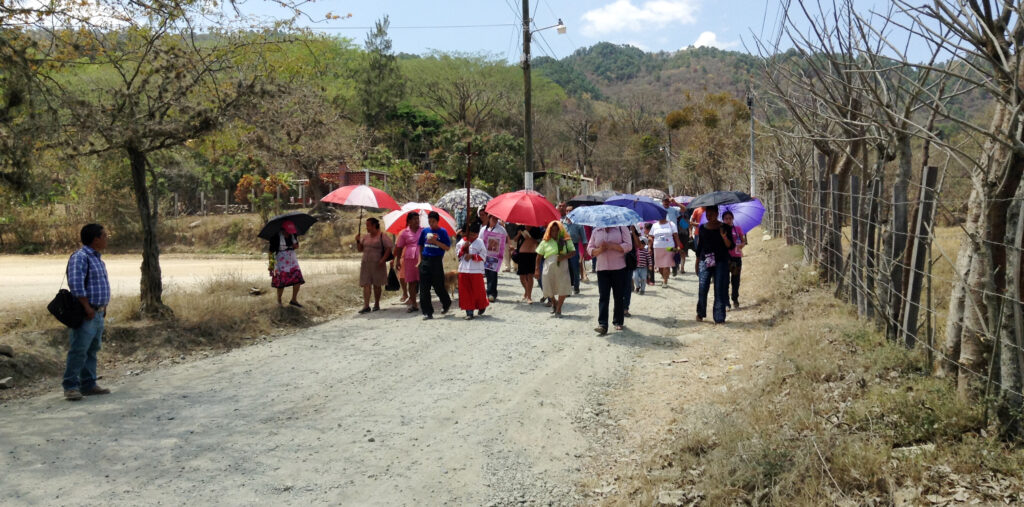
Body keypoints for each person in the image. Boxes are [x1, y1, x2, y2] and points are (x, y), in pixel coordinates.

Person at [63, 223, 112, 401]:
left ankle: (88, 384)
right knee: (79, 349)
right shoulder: (80, 257)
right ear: (95, 239)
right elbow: (76, 284)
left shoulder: (97, 259)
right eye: (104, 235)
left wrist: (102, 307)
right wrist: (87, 307)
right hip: (87, 312)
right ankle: (70, 386)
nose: (107, 239)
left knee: (92, 349)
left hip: (97, 312)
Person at [587, 225, 632, 335]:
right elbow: (589, 249)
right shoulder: (596, 230)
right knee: (603, 297)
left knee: (618, 296)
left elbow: (628, 246)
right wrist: (600, 250)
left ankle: (618, 321)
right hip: (602, 268)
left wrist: (612, 246)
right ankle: (602, 324)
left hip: (619, 268)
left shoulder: (621, 228)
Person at [694, 205, 734, 324]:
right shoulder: (702, 228)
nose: (709, 216)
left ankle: (719, 317)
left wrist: (724, 236)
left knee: (719, 288)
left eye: (711, 213)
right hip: (705, 261)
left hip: (721, 261)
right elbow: (700, 246)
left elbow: (730, 246)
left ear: (717, 213)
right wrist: (697, 262)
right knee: (702, 287)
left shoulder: (725, 227)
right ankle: (700, 313)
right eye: (707, 214)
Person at [536, 220, 575, 317]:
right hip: (548, 266)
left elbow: (573, 252)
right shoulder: (545, 241)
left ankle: (559, 309)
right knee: (547, 285)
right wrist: (537, 269)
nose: (554, 232)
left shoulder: (565, 240)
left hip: (562, 266)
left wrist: (564, 257)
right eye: (552, 230)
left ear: (560, 230)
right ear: (549, 230)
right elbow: (538, 256)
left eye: (557, 230)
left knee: (563, 286)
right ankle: (554, 301)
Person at [418, 211, 453, 320]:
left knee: (438, 286)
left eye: (433, 221)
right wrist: (420, 259)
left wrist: (435, 242)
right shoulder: (425, 231)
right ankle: (427, 312)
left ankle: (446, 302)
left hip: (436, 261)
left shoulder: (442, 232)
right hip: (425, 261)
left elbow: (447, 247)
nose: (431, 223)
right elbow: (420, 245)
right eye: (429, 221)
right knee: (424, 288)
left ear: (437, 221)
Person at [356, 217, 394, 314]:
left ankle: (376, 304)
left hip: (378, 264)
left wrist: (383, 260)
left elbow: (389, 248)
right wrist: (357, 241)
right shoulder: (365, 237)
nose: (367, 227)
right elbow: (360, 249)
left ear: (374, 225)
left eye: (368, 225)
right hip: (366, 264)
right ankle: (366, 305)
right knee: (366, 284)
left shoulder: (382, 236)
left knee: (377, 285)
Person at [456, 222, 489, 319]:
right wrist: (463, 248)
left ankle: (481, 305)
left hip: (476, 271)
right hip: (463, 270)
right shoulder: (462, 241)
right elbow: (457, 254)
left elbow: (483, 256)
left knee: (478, 291)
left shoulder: (480, 242)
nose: (471, 236)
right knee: (465, 291)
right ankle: (469, 312)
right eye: (470, 234)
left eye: (474, 235)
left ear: (477, 234)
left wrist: (472, 256)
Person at [269, 219, 304, 307]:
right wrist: (271, 265)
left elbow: (297, 245)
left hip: (292, 259)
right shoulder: (276, 237)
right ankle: (279, 300)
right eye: (288, 231)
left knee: (298, 279)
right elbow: (271, 252)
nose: (290, 233)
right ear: (283, 230)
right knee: (281, 282)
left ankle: (294, 300)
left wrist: (295, 246)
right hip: (281, 261)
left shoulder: (293, 234)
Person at [394, 212, 422, 313]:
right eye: (414, 219)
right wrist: (397, 261)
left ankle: (425, 302)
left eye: (418, 219)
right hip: (409, 259)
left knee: (423, 281)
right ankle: (414, 304)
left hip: (422, 258)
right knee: (412, 282)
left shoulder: (423, 231)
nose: (416, 221)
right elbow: (399, 247)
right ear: (409, 221)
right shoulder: (404, 233)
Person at [648, 214, 681, 288]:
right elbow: (650, 235)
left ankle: (665, 281)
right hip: (657, 247)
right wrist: (650, 246)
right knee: (660, 267)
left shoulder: (671, 224)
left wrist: (678, 246)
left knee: (666, 265)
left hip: (669, 247)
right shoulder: (654, 225)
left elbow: (676, 236)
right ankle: (665, 276)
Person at [722, 210, 747, 308]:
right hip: (725, 257)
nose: (728, 220)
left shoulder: (737, 229)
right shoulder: (721, 230)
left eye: (730, 218)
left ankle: (735, 298)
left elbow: (744, 241)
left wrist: (741, 245)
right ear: (723, 220)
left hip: (736, 257)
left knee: (735, 279)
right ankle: (726, 301)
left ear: (732, 218)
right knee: (725, 280)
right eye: (726, 219)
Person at [481, 212, 507, 302]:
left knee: (493, 274)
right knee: (487, 274)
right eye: (493, 218)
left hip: (495, 256)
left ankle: (492, 294)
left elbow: (505, 240)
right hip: (485, 255)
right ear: (489, 218)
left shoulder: (501, 229)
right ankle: (488, 292)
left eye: (496, 219)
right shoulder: (483, 229)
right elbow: (480, 241)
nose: (495, 220)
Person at [514, 225, 541, 303]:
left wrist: (529, 237)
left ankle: (529, 296)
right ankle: (526, 291)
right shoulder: (520, 228)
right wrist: (519, 234)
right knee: (522, 277)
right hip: (522, 254)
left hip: (532, 254)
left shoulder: (536, 229)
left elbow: (538, 241)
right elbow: (515, 240)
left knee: (530, 275)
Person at [563, 205, 587, 295]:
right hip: (565, 248)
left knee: (575, 268)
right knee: (566, 268)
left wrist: (584, 251)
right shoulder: (562, 224)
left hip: (574, 247)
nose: (569, 213)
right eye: (567, 211)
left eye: (570, 211)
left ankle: (576, 287)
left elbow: (584, 239)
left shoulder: (579, 224)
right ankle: (567, 289)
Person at [663, 198, 683, 276]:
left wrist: (676, 203)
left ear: (669, 203)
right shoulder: (660, 209)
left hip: (673, 233)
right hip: (664, 234)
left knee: (675, 250)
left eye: (667, 203)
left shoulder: (674, 209)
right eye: (665, 203)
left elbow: (684, 209)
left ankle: (675, 265)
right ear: (662, 203)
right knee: (665, 249)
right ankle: (667, 267)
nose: (666, 204)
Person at [633, 228, 652, 295]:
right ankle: (637, 286)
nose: (640, 245)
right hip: (636, 268)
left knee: (643, 278)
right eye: (639, 243)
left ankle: (642, 290)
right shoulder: (635, 251)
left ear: (644, 245)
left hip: (644, 268)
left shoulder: (645, 251)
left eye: (642, 244)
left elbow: (649, 258)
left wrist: (650, 265)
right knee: (635, 277)